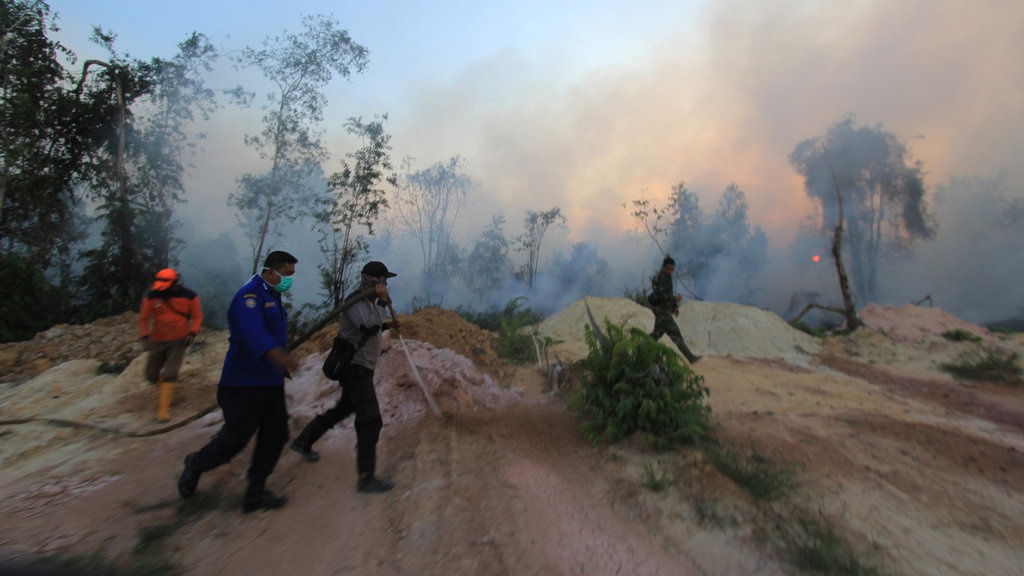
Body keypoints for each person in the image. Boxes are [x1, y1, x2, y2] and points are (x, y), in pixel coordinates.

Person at [177, 250, 300, 513]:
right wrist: (277, 355)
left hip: (269, 381)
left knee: (276, 435)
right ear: (271, 272)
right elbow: (253, 332)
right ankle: (195, 463)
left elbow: (274, 333)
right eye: (288, 274)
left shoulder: (273, 294)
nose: (291, 280)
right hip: (244, 381)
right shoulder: (250, 295)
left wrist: (280, 365)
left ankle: (255, 493)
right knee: (236, 438)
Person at [290, 260, 400, 493]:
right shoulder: (354, 301)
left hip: (363, 367)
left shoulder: (371, 303)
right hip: (354, 368)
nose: (386, 284)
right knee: (370, 420)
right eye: (383, 280)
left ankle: (303, 441)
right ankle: (366, 478)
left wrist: (387, 324)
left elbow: (375, 326)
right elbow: (367, 327)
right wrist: (381, 302)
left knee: (343, 409)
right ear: (371, 280)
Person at [138, 268, 203, 422]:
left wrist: (192, 333)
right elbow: (143, 319)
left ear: (175, 283)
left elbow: (197, 317)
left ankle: (164, 412)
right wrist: (145, 336)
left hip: (179, 340)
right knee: (151, 374)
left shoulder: (190, 296)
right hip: (158, 340)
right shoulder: (152, 297)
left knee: (170, 373)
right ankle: (169, 395)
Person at [649, 256, 701, 364]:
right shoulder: (659, 278)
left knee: (655, 335)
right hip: (661, 311)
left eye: (672, 269)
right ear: (663, 267)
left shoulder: (667, 278)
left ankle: (641, 348)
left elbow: (668, 295)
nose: (670, 271)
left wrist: (675, 307)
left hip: (665, 311)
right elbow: (660, 295)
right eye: (668, 269)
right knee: (675, 334)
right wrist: (674, 299)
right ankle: (690, 357)